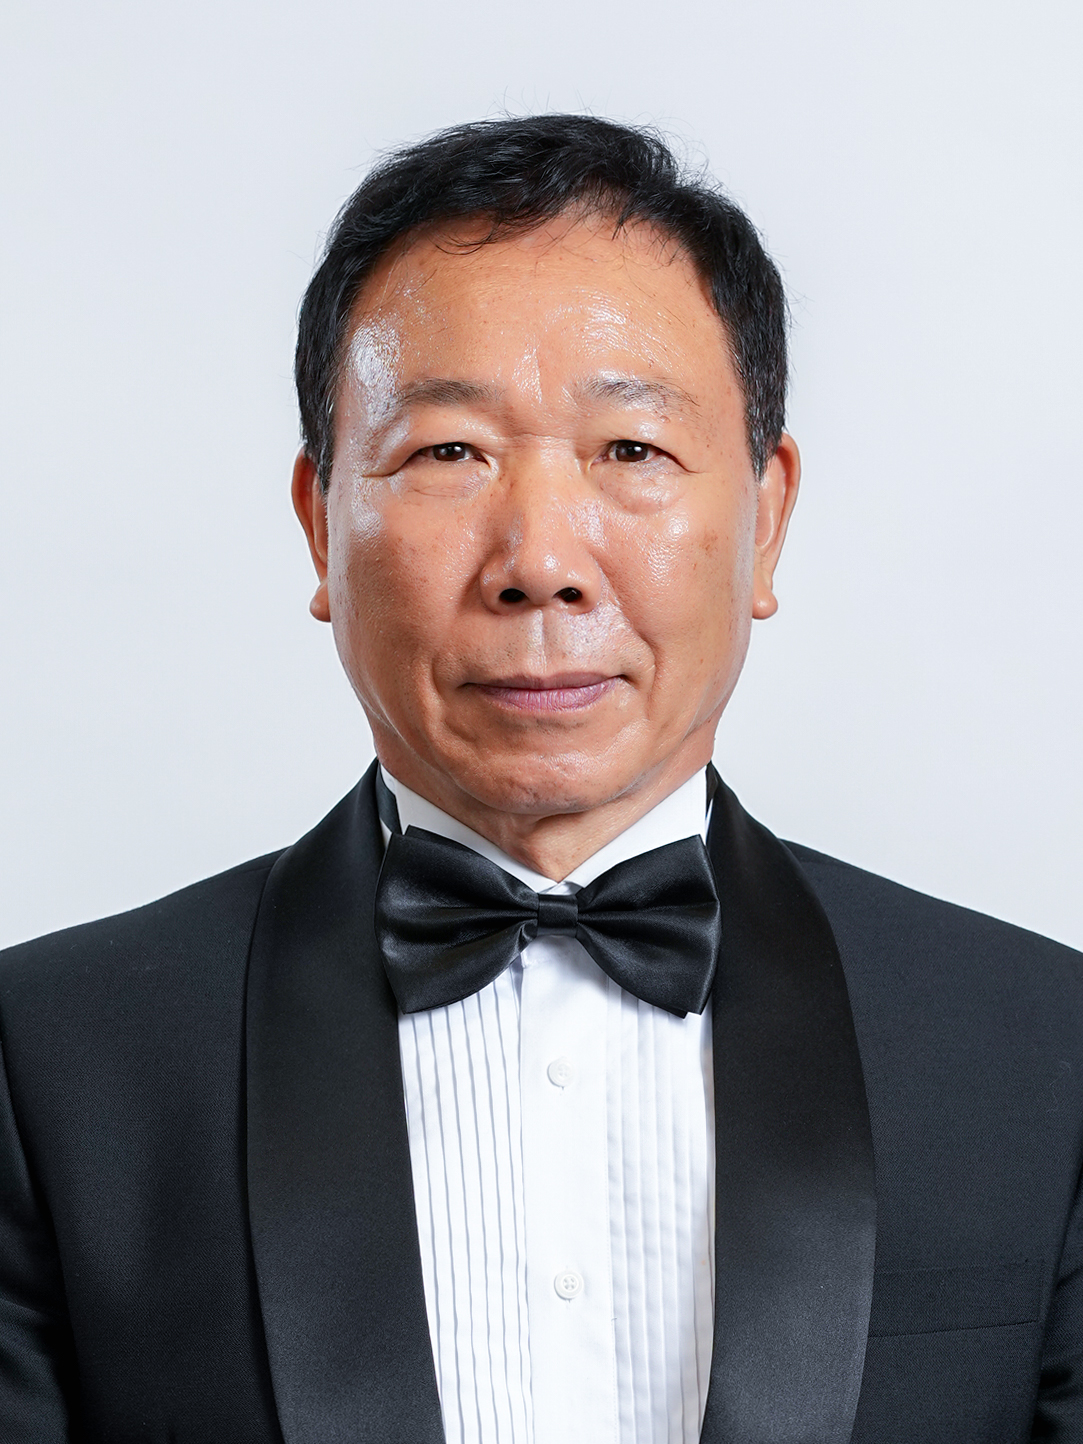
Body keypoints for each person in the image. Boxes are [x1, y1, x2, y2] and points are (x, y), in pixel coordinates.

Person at [0, 114, 1080, 1444]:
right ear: (320, 525)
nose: (542, 563)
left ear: (768, 518)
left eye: (632, 451)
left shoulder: (1042, 1054)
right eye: (448, 452)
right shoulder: (51, 1068)